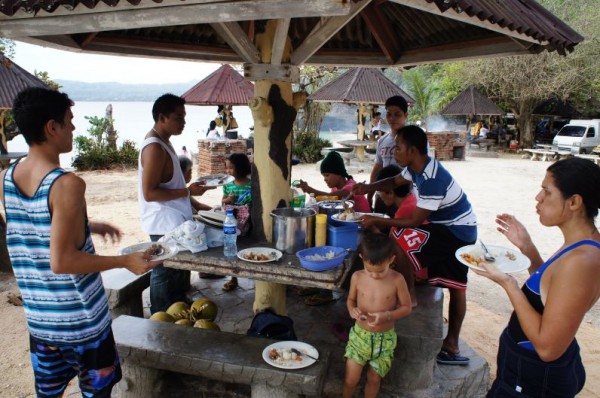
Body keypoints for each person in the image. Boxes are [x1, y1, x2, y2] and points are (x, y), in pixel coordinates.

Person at [0, 87, 160, 397]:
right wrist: (125, 261)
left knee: (50, 393)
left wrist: (88, 225)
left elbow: (36, 226)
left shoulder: (7, 176)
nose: (73, 128)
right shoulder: (67, 183)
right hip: (82, 322)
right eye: (69, 121)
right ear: (52, 127)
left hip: (41, 322)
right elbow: (62, 261)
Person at [474, 157, 600, 397]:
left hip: (534, 380)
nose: (538, 198)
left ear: (573, 202)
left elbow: (547, 347)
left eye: (546, 191)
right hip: (529, 372)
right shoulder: (581, 244)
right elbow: (551, 292)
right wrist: (528, 248)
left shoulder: (581, 261)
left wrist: (508, 284)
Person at [355, 125, 477, 365]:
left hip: (457, 231)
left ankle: (411, 299)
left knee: (400, 242)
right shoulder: (416, 167)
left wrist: (377, 219)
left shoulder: (433, 180)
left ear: (412, 150)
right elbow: (395, 179)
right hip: (446, 225)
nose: (394, 150)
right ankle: (450, 343)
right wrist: (369, 187)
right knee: (455, 283)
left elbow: (414, 221)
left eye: (398, 147)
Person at [139, 93, 215, 313]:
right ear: (161, 117)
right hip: (161, 221)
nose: (183, 122)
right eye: (178, 117)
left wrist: (192, 198)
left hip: (173, 219)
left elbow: (169, 183)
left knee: (176, 268)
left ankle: (177, 307)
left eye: (184, 117)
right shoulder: (154, 147)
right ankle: (161, 313)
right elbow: (150, 193)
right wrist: (187, 191)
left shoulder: (165, 142)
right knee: (163, 268)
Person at [296, 151, 371, 306]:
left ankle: (325, 291)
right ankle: (318, 285)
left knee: (326, 250)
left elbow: (335, 198)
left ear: (338, 173)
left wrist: (311, 189)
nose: (325, 179)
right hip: (344, 229)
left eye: (328, 175)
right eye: (323, 176)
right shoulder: (335, 188)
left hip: (360, 232)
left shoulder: (351, 187)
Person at [343, 232, 412, 398]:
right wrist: (353, 310)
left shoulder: (397, 280)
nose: (374, 275)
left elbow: (407, 307)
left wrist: (387, 316)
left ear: (391, 260)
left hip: (385, 340)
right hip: (359, 337)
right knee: (350, 380)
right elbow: (351, 300)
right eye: (369, 270)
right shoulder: (357, 277)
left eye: (380, 271)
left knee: (374, 378)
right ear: (362, 258)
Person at [369, 96, 409, 216]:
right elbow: (377, 168)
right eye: (389, 114)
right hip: (383, 195)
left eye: (397, 114)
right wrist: (369, 194)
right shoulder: (382, 141)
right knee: (379, 231)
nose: (392, 118)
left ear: (405, 115)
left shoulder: (413, 140)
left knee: (398, 232)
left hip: (404, 197)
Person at [221, 152, 252, 292]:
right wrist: (228, 200)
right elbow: (223, 201)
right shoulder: (228, 186)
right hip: (232, 224)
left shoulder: (252, 185)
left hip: (249, 224)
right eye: (226, 168)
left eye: (231, 168)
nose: (228, 171)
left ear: (242, 168)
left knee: (248, 248)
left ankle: (253, 272)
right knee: (233, 249)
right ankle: (233, 277)